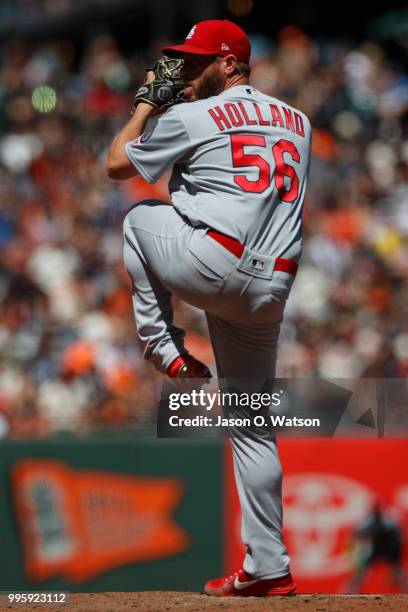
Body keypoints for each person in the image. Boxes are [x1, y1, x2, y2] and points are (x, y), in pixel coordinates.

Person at [107, 19, 311, 597]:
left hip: (213, 264)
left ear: (229, 63)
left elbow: (115, 165)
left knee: (138, 218)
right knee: (252, 424)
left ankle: (159, 346)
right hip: (271, 288)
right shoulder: (301, 122)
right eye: (183, 61)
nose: (186, 71)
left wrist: (147, 104)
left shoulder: (189, 114)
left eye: (196, 62)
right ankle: (269, 566)